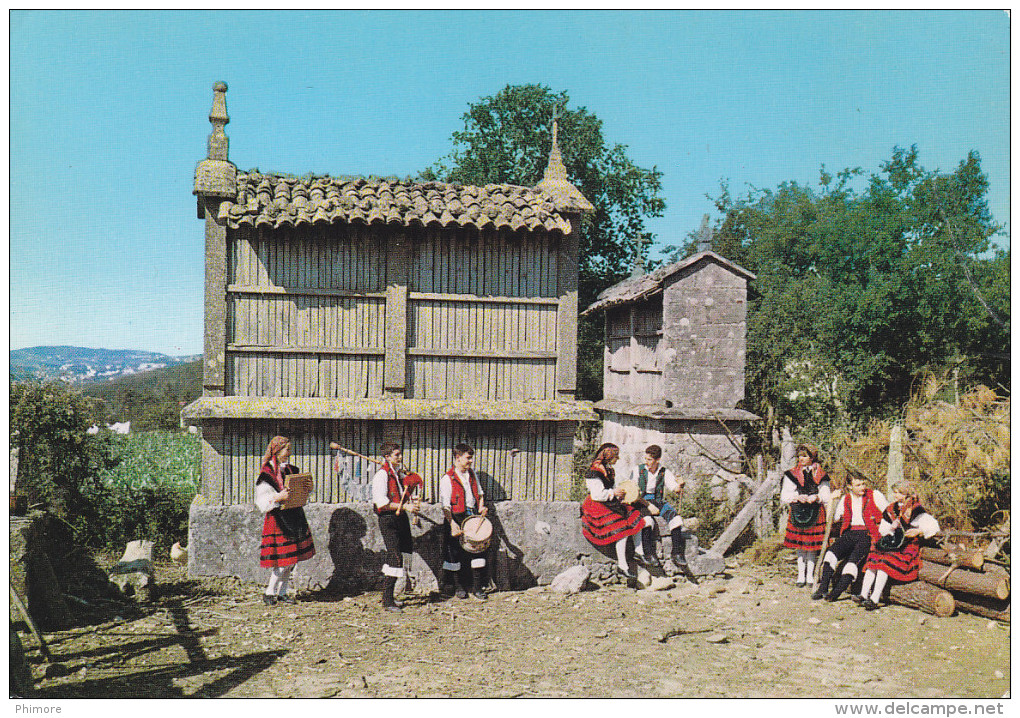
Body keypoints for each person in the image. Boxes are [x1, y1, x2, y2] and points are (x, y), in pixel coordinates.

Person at [855, 481, 940, 610]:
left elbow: (932, 526)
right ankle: (863, 594)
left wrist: (919, 531)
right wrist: (889, 531)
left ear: (906, 493)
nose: (895, 495)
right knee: (873, 561)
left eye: (898, 492)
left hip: (907, 545)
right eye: (894, 492)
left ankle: (874, 598)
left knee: (884, 564)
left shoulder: (915, 508)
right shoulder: (891, 508)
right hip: (893, 542)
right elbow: (884, 527)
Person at [255, 436, 315, 606]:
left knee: (291, 560)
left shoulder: (292, 470)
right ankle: (269, 592)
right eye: (286, 450)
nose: (289, 453)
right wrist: (278, 497)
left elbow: (298, 492)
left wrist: (307, 489)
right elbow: (261, 500)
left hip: (294, 517)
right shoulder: (267, 474)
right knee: (282, 562)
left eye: (289, 449)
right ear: (277, 451)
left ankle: (282, 593)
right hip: (278, 520)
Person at [580, 442, 654, 580]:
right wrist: (614, 492)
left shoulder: (608, 469)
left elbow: (611, 488)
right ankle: (623, 566)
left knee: (636, 517)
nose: (618, 458)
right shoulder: (594, 472)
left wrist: (620, 493)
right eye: (616, 456)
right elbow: (597, 495)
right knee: (621, 530)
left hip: (610, 501)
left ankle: (638, 551)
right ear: (609, 456)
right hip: (597, 505)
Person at [812, 471, 888, 602]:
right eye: (858, 485)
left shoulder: (875, 495)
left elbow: (889, 513)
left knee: (852, 562)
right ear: (849, 487)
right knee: (830, 554)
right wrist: (831, 500)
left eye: (863, 484)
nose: (862, 487)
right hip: (850, 533)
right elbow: (833, 518)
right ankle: (823, 588)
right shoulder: (845, 499)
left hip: (868, 534)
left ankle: (835, 593)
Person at [628, 444, 696, 581]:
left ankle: (677, 553)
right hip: (640, 500)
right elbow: (632, 491)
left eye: (650, 459)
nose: (646, 462)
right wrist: (648, 505)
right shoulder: (638, 470)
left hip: (658, 500)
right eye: (646, 459)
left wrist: (681, 485)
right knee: (648, 521)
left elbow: (675, 489)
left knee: (676, 519)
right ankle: (648, 554)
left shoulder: (664, 472)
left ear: (657, 460)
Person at [371, 442, 420, 612]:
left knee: (404, 552)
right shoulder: (382, 475)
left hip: (400, 518)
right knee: (395, 557)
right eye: (396, 455)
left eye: (400, 454)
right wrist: (405, 507)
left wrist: (409, 501)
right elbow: (381, 503)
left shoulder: (396, 474)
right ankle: (387, 600)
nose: (400, 457)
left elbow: (400, 496)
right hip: (388, 519)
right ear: (387, 457)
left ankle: (391, 597)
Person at [439, 443, 489, 601]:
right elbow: (445, 505)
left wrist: (481, 508)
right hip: (455, 517)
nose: (471, 461)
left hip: (472, 515)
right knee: (455, 553)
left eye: (471, 458)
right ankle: (458, 587)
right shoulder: (448, 478)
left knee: (478, 550)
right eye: (468, 458)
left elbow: (480, 494)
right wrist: (452, 524)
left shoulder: (472, 474)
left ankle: (477, 587)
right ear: (458, 458)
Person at [781, 444, 831, 588]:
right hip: (798, 511)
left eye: (804, 456)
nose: (801, 459)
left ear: (812, 457)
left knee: (811, 546)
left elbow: (826, 495)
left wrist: (816, 497)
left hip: (815, 511)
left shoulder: (820, 474)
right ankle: (800, 575)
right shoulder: (792, 474)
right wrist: (798, 496)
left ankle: (810, 576)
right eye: (799, 456)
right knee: (800, 546)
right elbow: (785, 495)